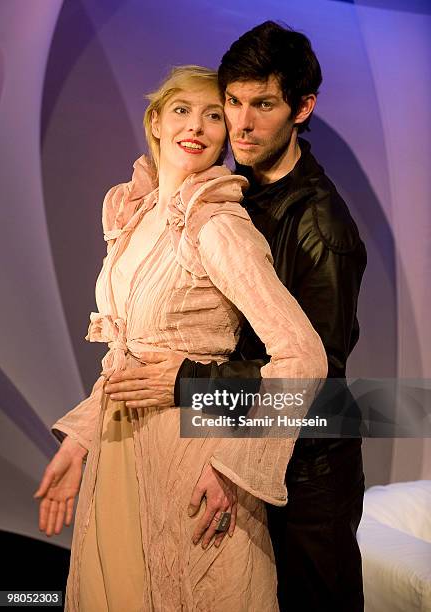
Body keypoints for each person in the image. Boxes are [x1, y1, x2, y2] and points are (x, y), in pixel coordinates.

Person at [34, 65, 327, 612]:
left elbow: (302, 355)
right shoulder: (135, 218)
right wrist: (80, 439)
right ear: (156, 122)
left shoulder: (216, 226)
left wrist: (236, 470)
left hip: (193, 459)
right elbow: (129, 358)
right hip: (120, 454)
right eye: (182, 110)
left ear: (225, 135)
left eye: (214, 115)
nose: (197, 125)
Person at [106, 22, 367, 612]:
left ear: (303, 108)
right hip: (229, 449)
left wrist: (189, 384)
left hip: (305, 479)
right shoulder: (229, 193)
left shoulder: (323, 228)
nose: (242, 124)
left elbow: (316, 382)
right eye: (234, 102)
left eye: (264, 104)